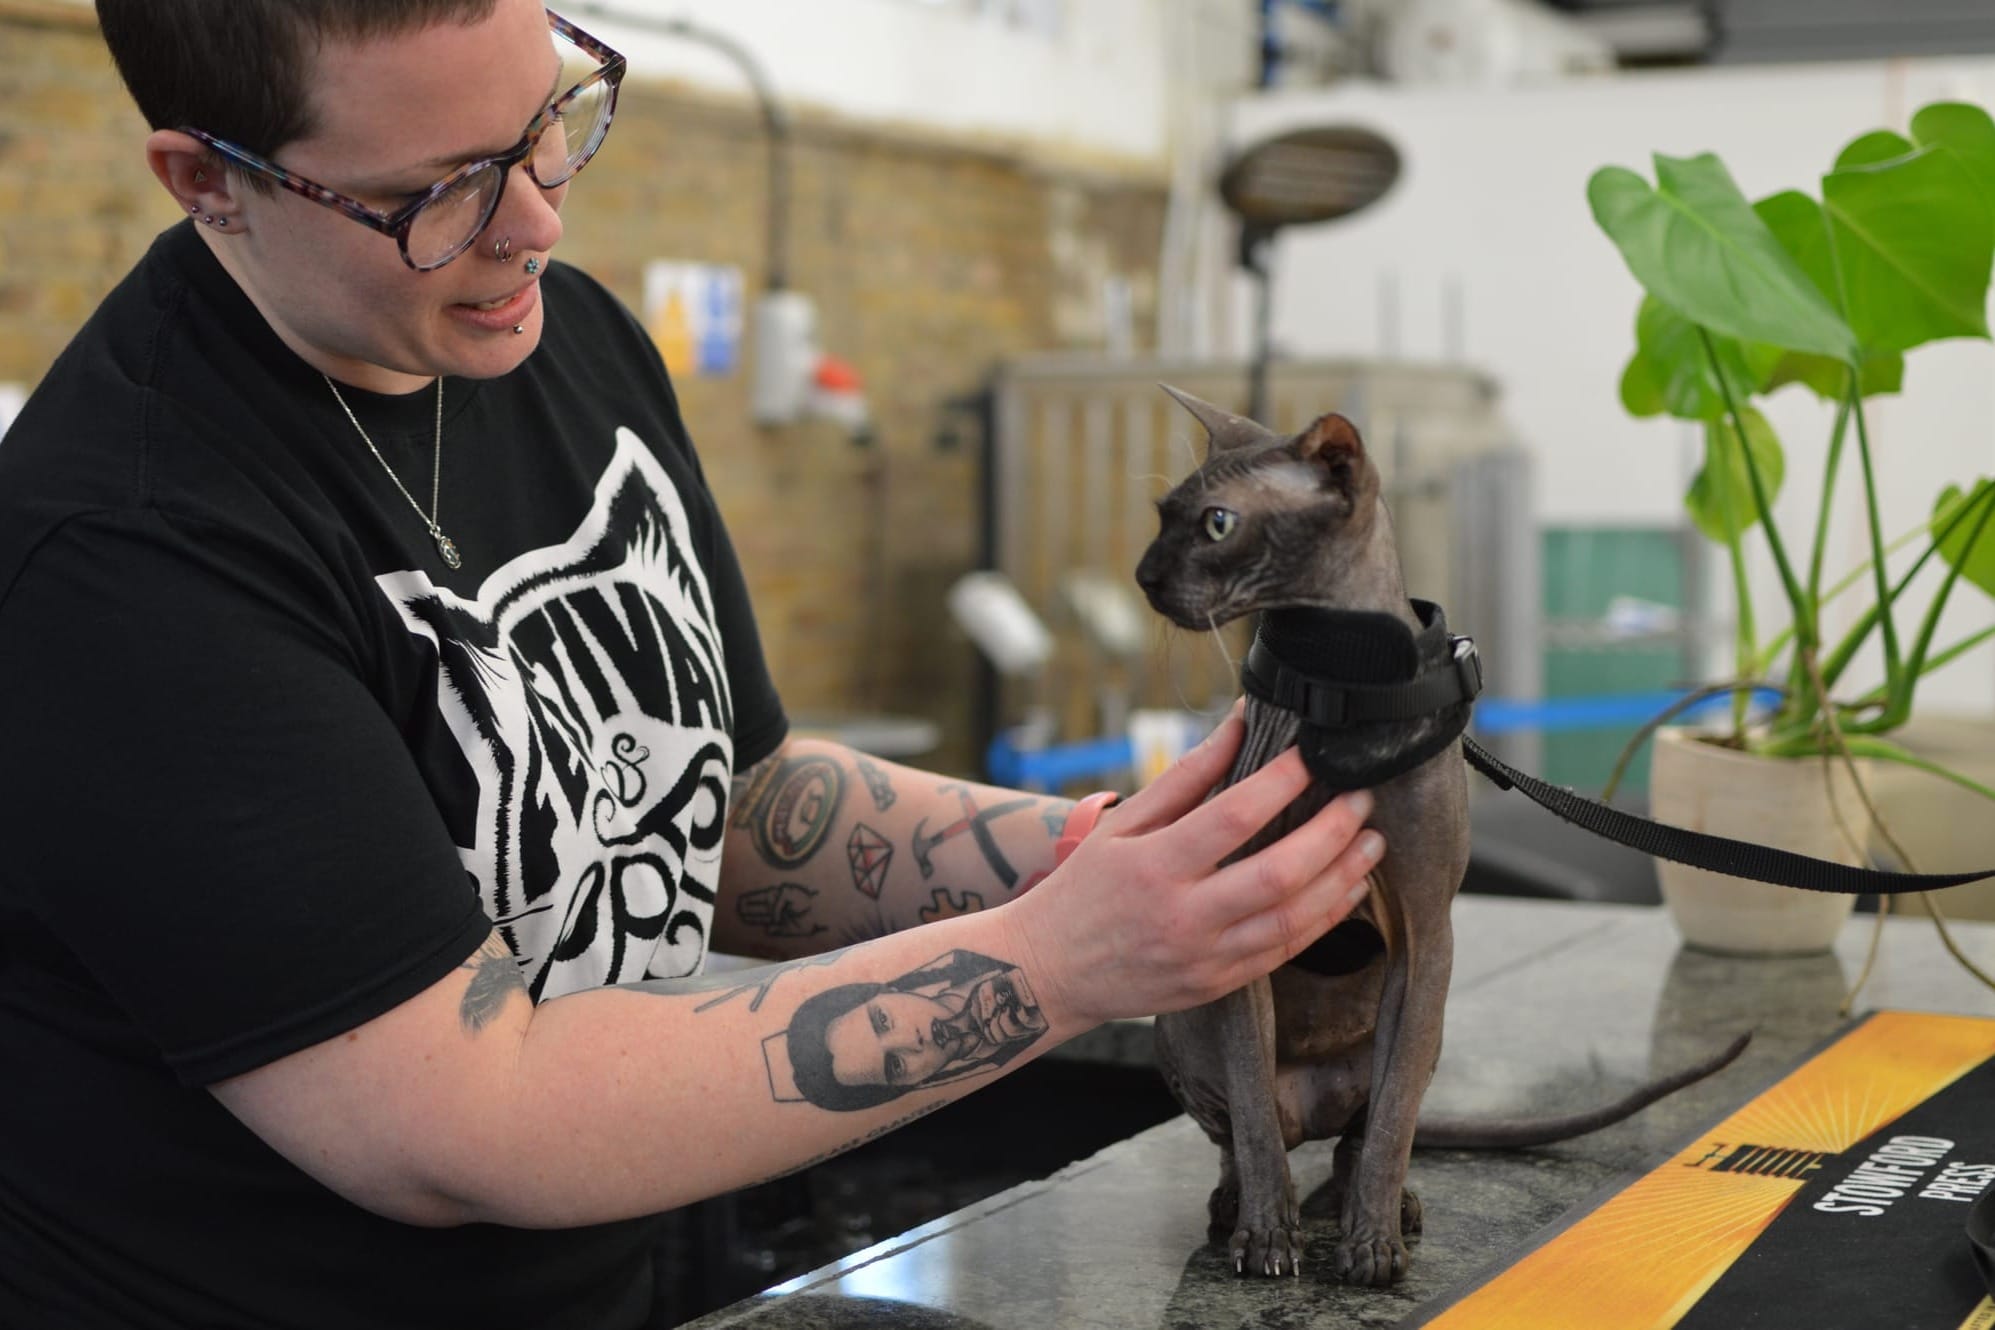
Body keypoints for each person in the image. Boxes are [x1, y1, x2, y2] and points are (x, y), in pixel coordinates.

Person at [0, 2, 1385, 1326]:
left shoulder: (558, 341)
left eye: (548, 121)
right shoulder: (124, 552)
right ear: (208, 181)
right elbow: (466, 1116)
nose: (536, 218)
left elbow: (726, 806)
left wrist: (1101, 853)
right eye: (442, 193)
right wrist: (1062, 958)